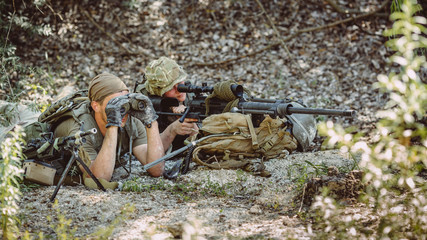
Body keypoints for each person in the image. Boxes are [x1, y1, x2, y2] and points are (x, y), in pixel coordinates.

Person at [53, 73, 165, 184]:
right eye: (114, 104)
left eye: (124, 103)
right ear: (96, 106)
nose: (121, 110)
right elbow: (98, 178)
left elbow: (156, 169)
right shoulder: (81, 128)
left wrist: (151, 120)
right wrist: (113, 125)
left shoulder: (130, 120)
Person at [136, 56, 199, 151]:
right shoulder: (142, 104)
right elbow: (145, 150)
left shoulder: (192, 96)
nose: (179, 89)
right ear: (159, 91)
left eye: (180, 82)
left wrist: (190, 120)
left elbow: (205, 141)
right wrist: (172, 129)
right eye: (170, 87)